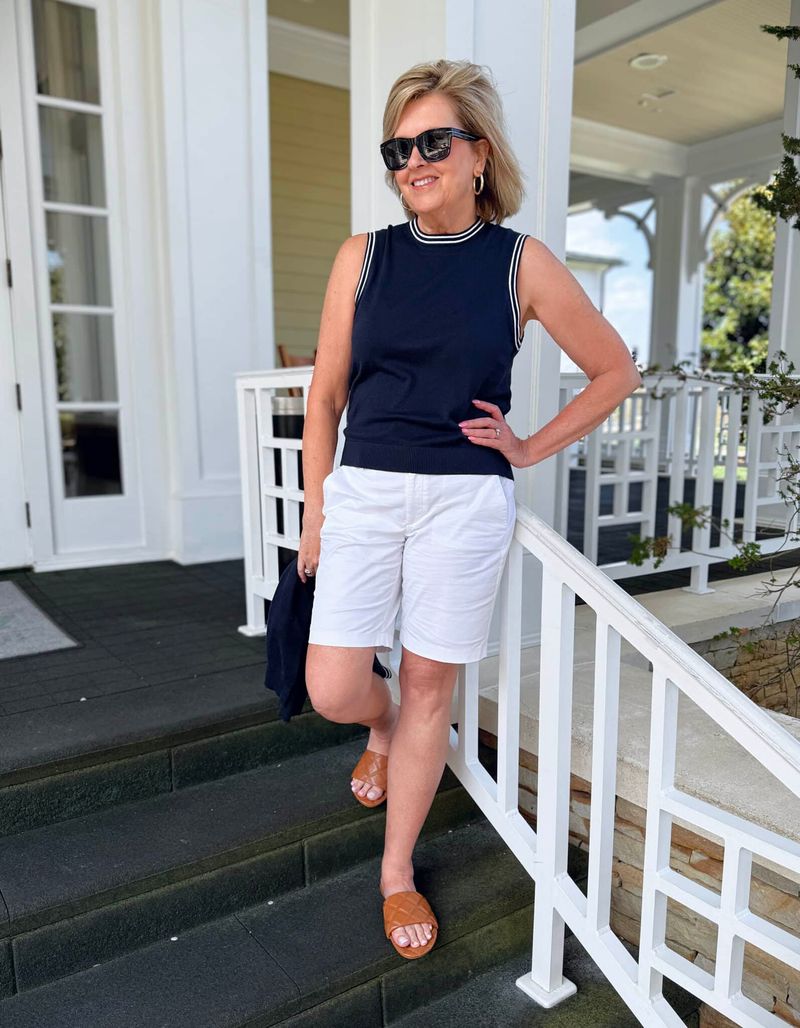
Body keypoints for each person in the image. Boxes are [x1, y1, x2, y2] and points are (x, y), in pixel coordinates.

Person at [298, 58, 641, 959]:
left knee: (429, 685)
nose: (413, 162)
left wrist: (527, 447)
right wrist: (314, 510)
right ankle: (376, 728)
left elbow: (615, 371)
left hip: (465, 500)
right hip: (366, 489)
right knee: (333, 686)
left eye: (434, 143)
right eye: (398, 149)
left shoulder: (521, 263)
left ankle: (396, 873)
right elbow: (325, 396)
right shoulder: (362, 257)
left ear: (479, 153)